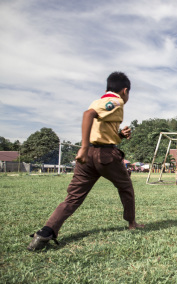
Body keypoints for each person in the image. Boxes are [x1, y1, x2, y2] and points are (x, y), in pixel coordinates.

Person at [27, 72, 144, 251]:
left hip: (88, 157)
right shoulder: (116, 101)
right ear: (125, 91)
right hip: (104, 155)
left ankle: (46, 231)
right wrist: (82, 146)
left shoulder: (98, 101)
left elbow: (99, 127)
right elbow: (88, 115)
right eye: (128, 94)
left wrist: (119, 135)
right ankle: (132, 223)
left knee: (73, 197)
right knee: (126, 187)